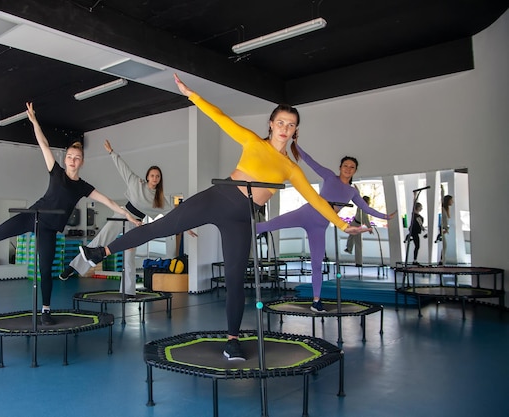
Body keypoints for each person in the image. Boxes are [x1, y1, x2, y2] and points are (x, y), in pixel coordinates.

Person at [79, 73, 368, 360]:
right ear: (271, 123)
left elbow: (315, 199)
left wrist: (343, 224)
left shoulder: (291, 169)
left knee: (234, 278)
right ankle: (99, 251)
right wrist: (191, 95)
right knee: (162, 227)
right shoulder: (254, 142)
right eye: (280, 122)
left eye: (290, 125)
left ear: (295, 131)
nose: (284, 128)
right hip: (217, 198)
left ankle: (232, 341)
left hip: (241, 218)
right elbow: (220, 118)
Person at [0, 102, 140, 325]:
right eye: (70, 156)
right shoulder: (56, 172)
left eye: (77, 157)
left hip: (49, 229)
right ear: (65, 159)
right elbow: (43, 144)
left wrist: (128, 215)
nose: (73, 160)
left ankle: (45, 311)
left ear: (82, 162)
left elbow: (108, 201)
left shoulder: (82, 186)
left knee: (45, 269)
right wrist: (34, 121)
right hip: (32, 216)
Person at [257, 149, 394, 313]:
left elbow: (366, 208)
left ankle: (316, 301)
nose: (348, 169)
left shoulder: (352, 192)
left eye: (352, 167)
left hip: (319, 226)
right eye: (345, 166)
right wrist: (295, 145)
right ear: (340, 167)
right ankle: (242, 228)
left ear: (355, 170)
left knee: (316, 263)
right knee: (271, 224)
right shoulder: (329, 176)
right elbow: (310, 161)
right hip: (306, 213)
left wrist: (385, 216)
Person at [60, 139, 196, 297]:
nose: (154, 178)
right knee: (102, 238)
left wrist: (186, 228)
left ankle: (128, 291)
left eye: (157, 176)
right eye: (152, 175)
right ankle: (73, 268)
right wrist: (112, 153)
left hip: (136, 223)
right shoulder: (137, 183)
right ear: (147, 177)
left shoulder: (160, 199)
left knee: (129, 255)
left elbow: (174, 215)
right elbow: (123, 169)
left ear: (160, 179)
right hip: (123, 214)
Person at [344, 195, 375, 266]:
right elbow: (365, 219)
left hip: (356, 224)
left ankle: (351, 251)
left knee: (353, 239)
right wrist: (369, 228)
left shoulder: (361, 207)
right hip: (356, 224)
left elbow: (365, 219)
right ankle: (357, 260)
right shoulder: (362, 208)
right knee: (357, 242)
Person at [439, 194, 453, 265]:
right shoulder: (443, 210)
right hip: (442, 230)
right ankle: (442, 261)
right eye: (451, 200)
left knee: (444, 246)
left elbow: (446, 221)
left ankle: (442, 260)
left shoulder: (446, 210)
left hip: (444, 230)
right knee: (444, 245)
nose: (452, 202)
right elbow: (443, 220)